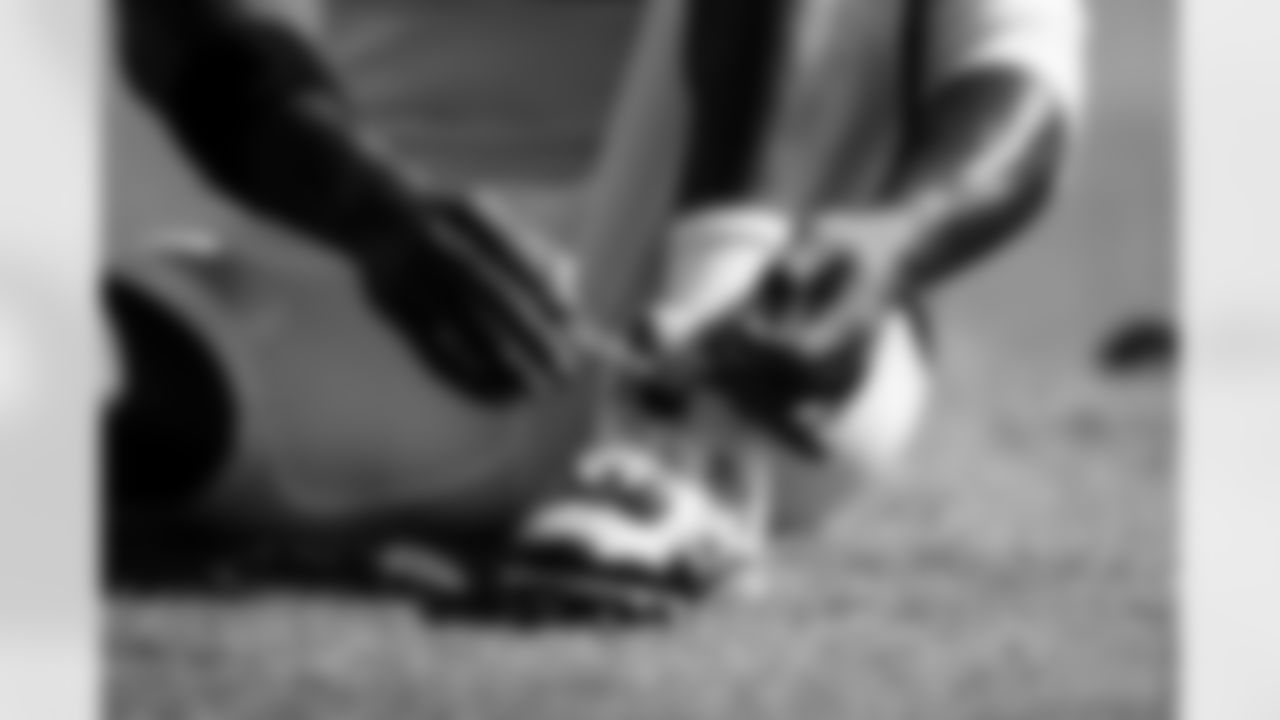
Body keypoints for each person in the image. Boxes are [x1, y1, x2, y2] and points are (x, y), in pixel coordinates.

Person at [106, 0, 1089, 613]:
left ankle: (683, 442)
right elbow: (179, 26)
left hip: (757, 347)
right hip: (385, 296)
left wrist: (888, 245)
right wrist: (372, 207)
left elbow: (1017, 67)